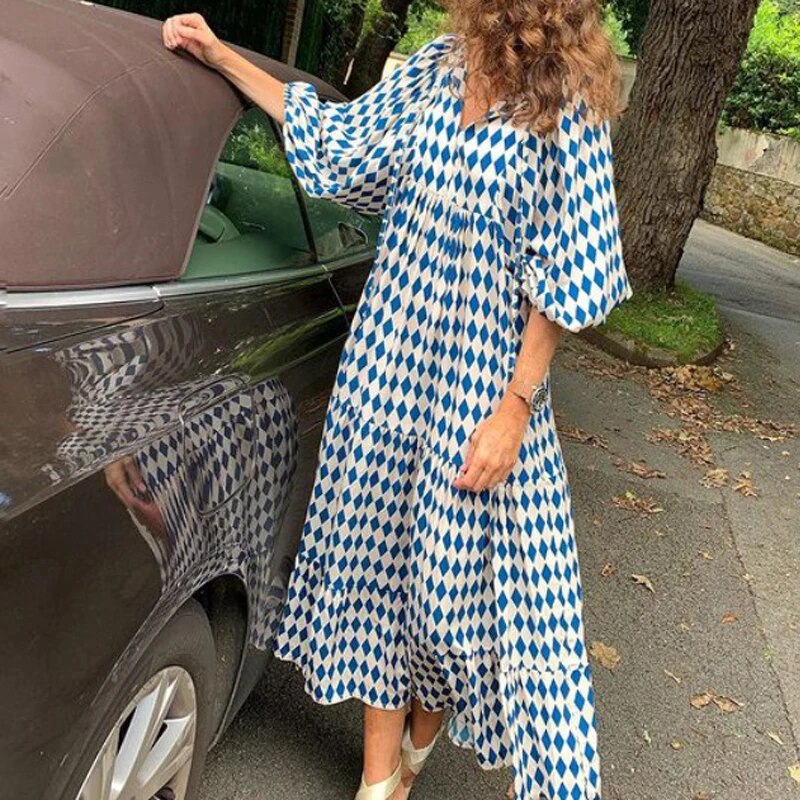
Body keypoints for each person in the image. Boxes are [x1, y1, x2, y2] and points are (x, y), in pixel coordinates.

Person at [162, 3, 633, 798]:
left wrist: (516, 409)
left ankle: (420, 736)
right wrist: (220, 57)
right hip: (385, 367)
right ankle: (379, 782)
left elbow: (570, 275)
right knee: (374, 572)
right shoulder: (434, 71)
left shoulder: (571, 112)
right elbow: (336, 137)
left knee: (451, 607)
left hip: (481, 387)